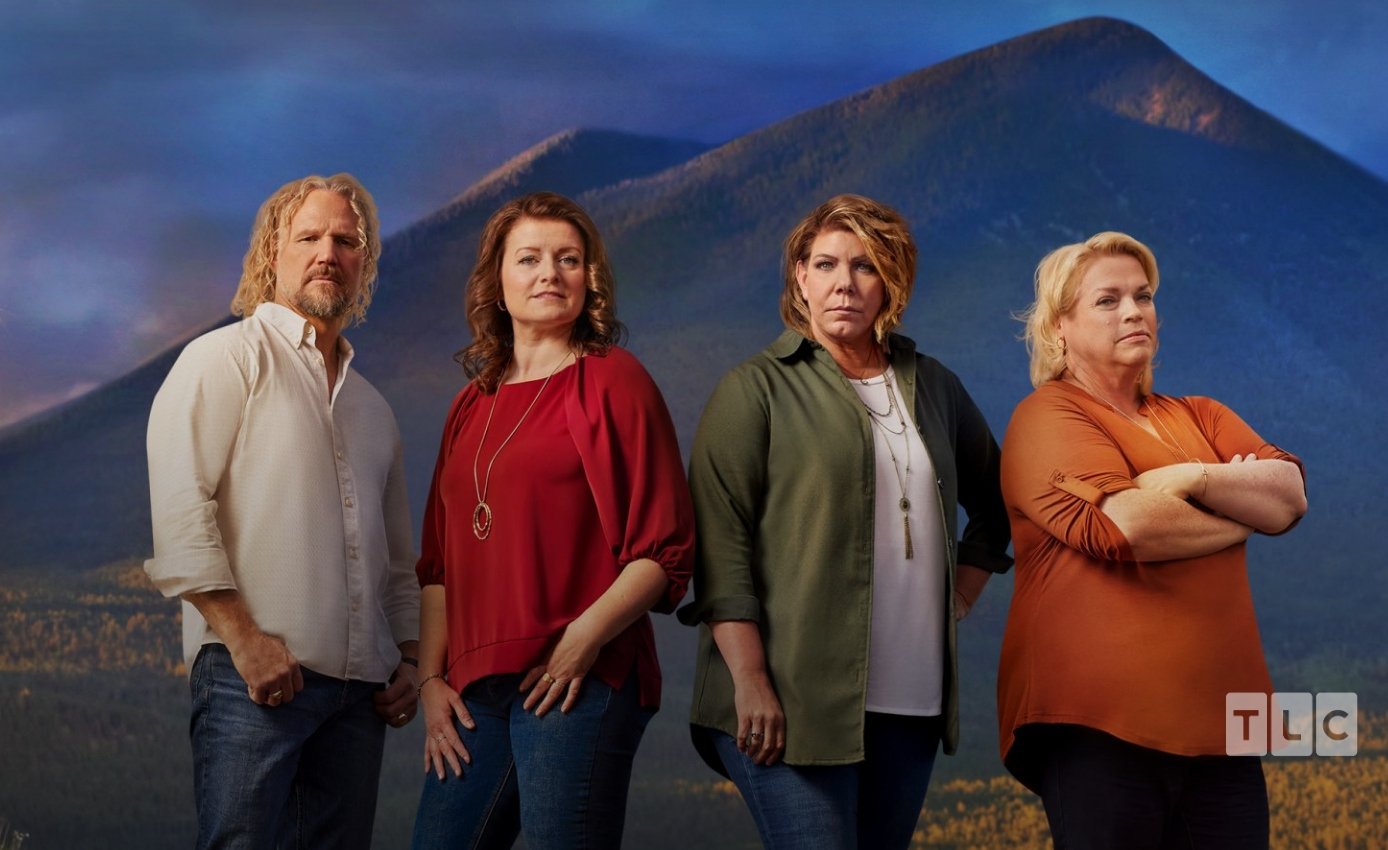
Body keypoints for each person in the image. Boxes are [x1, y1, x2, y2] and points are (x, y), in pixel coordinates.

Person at [678, 194, 1013, 849]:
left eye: (865, 267)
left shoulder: (933, 385)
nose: (843, 283)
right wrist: (750, 681)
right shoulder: (755, 390)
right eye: (825, 264)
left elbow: (1000, 505)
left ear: (891, 281)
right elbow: (721, 550)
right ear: (799, 276)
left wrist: (962, 596)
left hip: (908, 703)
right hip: (787, 699)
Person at [997, 232, 1308, 848]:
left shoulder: (1200, 415)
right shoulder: (1047, 416)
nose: (1134, 310)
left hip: (1223, 723)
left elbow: (1289, 496)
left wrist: (1189, 475)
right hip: (1100, 724)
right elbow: (1128, 526)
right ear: (1060, 328)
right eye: (1107, 300)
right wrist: (1238, 510)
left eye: (1143, 296)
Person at [410, 191, 694, 849]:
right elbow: (439, 566)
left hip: (579, 678)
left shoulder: (612, 381)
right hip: (475, 688)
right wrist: (429, 678)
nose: (550, 274)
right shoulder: (468, 405)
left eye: (569, 259)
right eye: (530, 258)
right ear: (497, 282)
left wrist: (582, 640)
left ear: (588, 280)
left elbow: (666, 547)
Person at [145, 173, 420, 849]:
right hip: (252, 682)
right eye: (309, 236)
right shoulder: (221, 360)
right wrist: (244, 641)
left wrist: (409, 658)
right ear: (274, 253)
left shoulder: (374, 410)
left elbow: (396, 561)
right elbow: (182, 511)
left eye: (346, 240)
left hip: (360, 699)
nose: (329, 251)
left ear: (364, 263)